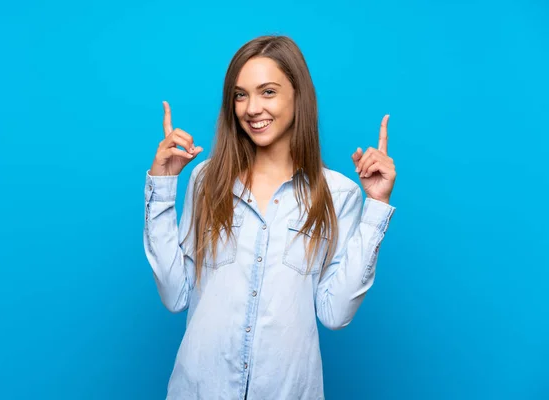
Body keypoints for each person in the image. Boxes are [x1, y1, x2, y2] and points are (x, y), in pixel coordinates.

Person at [144, 35, 397, 400]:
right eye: (240, 94)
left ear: (298, 95)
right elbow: (175, 294)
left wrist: (376, 208)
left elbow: (335, 313)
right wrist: (163, 187)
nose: (251, 108)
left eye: (268, 92)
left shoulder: (338, 194)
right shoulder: (206, 179)